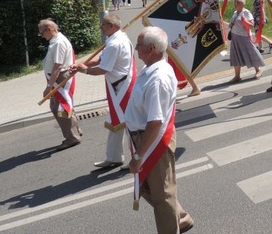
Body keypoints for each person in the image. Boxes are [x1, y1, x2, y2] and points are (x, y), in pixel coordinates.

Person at [126, 27, 195, 234]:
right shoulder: (152, 69)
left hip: (152, 141)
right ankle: (180, 218)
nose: (136, 49)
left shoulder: (157, 79)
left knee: (162, 196)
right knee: (149, 188)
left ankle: (173, 225)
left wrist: (139, 155)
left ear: (151, 48)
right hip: (144, 138)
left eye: (138, 45)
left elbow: (155, 122)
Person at [71, 14, 136, 169]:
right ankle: (114, 157)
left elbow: (103, 69)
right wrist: (83, 63)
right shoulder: (116, 38)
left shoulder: (115, 43)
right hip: (117, 86)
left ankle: (136, 157)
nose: (101, 27)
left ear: (112, 25)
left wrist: (84, 70)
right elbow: (102, 59)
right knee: (116, 122)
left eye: (104, 24)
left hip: (121, 88)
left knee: (128, 124)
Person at [39, 19, 82, 150]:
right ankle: (74, 131)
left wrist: (48, 86)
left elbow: (57, 66)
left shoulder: (58, 43)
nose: (42, 36)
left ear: (49, 29)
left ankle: (71, 137)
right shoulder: (57, 40)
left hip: (59, 79)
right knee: (58, 107)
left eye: (42, 32)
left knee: (61, 109)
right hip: (57, 78)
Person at [228, 0, 265, 82]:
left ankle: (258, 70)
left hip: (244, 36)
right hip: (235, 36)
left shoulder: (246, 12)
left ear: (242, 4)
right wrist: (231, 24)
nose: (235, 4)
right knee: (235, 55)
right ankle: (237, 75)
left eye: (237, 3)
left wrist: (244, 21)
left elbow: (251, 25)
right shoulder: (235, 13)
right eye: (235, 2)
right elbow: (232, 23)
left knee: (251, 52)